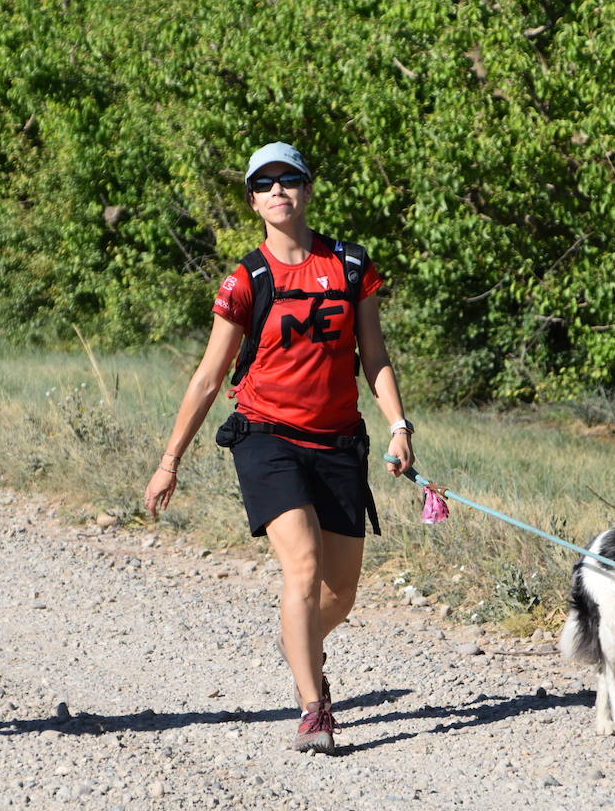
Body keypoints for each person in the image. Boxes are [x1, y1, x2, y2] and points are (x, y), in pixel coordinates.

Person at [144, 142, 415, 753]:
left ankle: (298, 640)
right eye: (264, 185)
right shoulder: (247, 279)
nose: (278, 192)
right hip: (266, 436)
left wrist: (399, 426)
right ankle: (314, 707)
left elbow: (373, 355)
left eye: (288, 180)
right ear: (253, 201)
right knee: (304, 564)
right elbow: (209, 377)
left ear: (308, 189)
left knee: (339, 593)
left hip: (339, 440)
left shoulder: (350, 266)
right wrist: (169, 463)